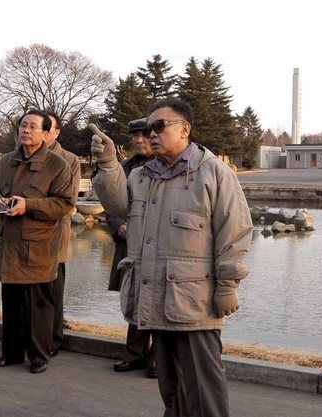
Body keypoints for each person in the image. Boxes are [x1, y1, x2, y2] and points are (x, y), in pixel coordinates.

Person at [91, 98, 253, 417]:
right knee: (171, 387)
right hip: (155, 297)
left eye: (159, 126)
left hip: (195, 303)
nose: (150, 134)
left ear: (184, 130)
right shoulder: (142, 175)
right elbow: (118, 207)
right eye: (148, 128)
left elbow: (235, 232)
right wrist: (109, 164)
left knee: (202, 390)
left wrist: (228, 286)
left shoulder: (214, 173)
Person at [0, 109, 74, 374]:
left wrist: (29, 205)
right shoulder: (5, 162)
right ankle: (10, 353)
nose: (26, 130)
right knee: (11, 302)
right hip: (9, 244)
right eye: (23, 125)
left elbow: (65, 204)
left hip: (38, 246)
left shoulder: (57, 165)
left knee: (38, 306)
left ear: (46, 133)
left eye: (33, 127)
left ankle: (39, 355)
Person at [105, 118, 157, 378]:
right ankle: (134, 355)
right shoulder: (123, 168)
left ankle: (157, 359)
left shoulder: (165, 166)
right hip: (130, 245)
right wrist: (118, 226)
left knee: (158, 301)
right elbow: (112, 206)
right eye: (135, 136)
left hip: (159, 246)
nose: (138, 140)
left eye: (144, 135)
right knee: (133, 299)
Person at [43, 110, 80, 357]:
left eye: (47, 128)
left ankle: (53, 340)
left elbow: (69, 201)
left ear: (56, 132)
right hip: (23, 240)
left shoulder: (69, 159)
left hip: (54, 236)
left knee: (54, 290)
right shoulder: (19, 157)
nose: (41, 132)